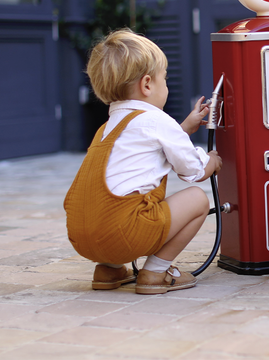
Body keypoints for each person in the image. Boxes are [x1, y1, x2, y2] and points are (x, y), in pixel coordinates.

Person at [64, 29, 222, 295]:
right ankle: (156, 272)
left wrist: (183, 128)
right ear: (148, 84)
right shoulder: (158, 121)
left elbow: (148, 150)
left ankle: (108, 269)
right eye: (165, 79)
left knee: (114, 203)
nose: (166, 86)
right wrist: (213, 161)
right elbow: (193, 170)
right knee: (197, 199)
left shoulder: (108, 127)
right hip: (125, 234)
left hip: (82, 237)